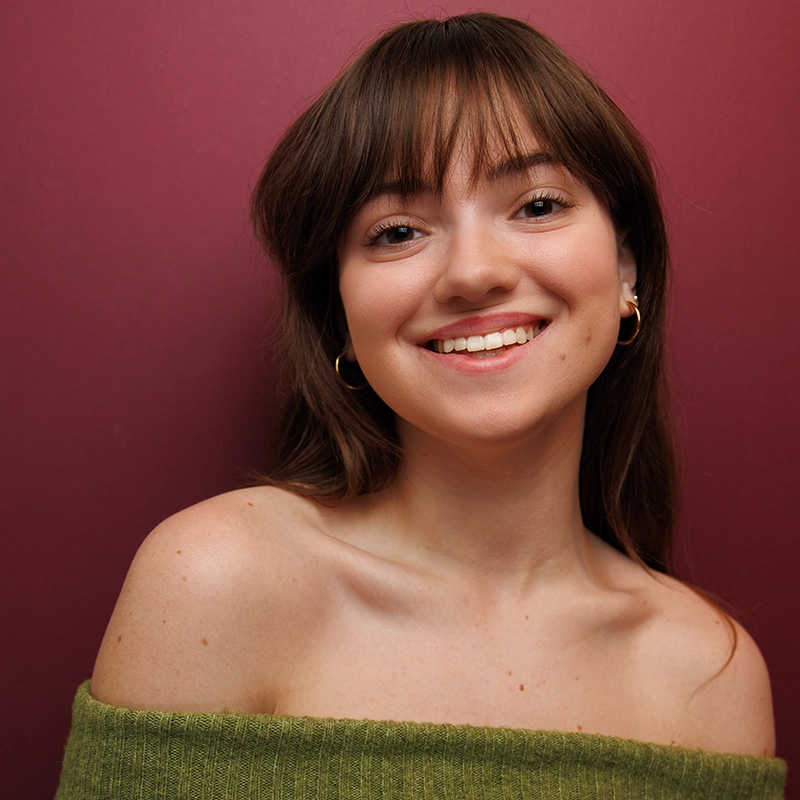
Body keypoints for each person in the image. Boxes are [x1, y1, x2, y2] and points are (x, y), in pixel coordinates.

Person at [56, 13, 786, 799]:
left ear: (627, 268)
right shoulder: (216, 582)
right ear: (340, 315)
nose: (473, 272)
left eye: (538, 205)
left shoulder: (709, 678)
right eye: (398, 230)